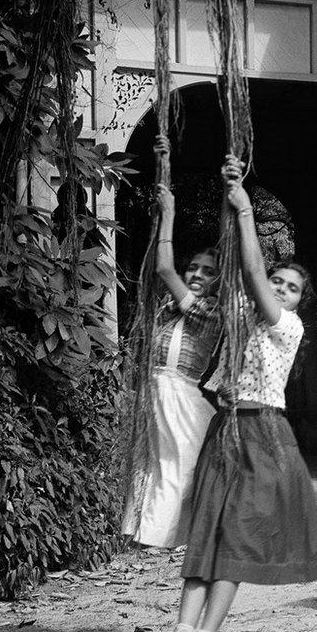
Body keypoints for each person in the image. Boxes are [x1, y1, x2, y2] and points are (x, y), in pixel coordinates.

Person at [146, 154, 317, 632]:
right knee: (207, 531)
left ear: (301, 302)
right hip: (223, 432)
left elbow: (250, 270)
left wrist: (245, 207)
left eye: (292, 287)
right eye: (278, 281)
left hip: (263, 432)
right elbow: (169, 273)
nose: (279, 289)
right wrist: (169, 210)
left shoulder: (286, 328)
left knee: (231, 539)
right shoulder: (237, 319)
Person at [124, 138, 223, 549]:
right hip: (155, 386)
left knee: (175, 468)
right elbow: (161, 269)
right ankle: (143, 535)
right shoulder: (171, 304)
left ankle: (164, 538)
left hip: (180, 392)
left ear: (219, 279)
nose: (197, 274)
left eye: (206, 270)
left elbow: (164, 266)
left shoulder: (213, 312)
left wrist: (171, 212)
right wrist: (162, 161)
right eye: (193, 267)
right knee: (149, 462)